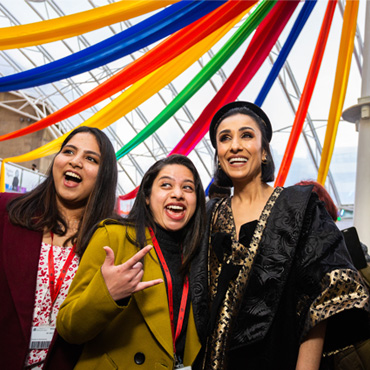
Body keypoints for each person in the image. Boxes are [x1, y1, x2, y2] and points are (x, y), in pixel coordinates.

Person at [202, 101, 370, 370]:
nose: (235, 145)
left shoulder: (299, 206)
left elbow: (325, 297)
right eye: (225, 138)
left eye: (246, 135)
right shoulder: (209, 214)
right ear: (219, 154)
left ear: (264, 151)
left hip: (282, 357)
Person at [57, 154, 207, 370]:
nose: (177, 194)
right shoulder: (113, 237)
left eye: (188, 188)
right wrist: (108, 295)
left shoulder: (200, 252)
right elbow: (68, 328)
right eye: (166, 185)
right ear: (147, 196)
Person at [0, 126, 118, 370]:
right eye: (69, 151)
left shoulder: (109, 241)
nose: (75, 162)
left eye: (90, 158)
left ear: (103, 175)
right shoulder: (5, 211)